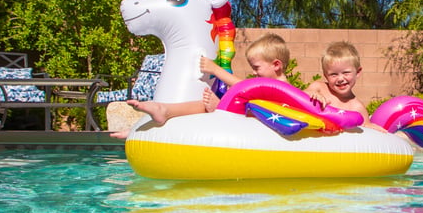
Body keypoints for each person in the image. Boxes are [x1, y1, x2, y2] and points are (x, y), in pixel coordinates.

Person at [112, 34, 292, 137]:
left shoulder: (283, 88)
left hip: (263, 128)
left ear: (276, 65)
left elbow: (243, 86)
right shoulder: (266, 83)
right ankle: (162, 112)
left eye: (256, 67)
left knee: (211, 104)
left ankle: (160, 116)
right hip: (248, 117)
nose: (253, 72)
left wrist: (215, 70)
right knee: (201, 104)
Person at [305, 41, 381, 129]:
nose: (340, 79)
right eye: (334, 74)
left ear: (358, 72)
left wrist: (373, 128)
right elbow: (302, 95)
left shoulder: (357, 107)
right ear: (326, 76)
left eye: (346, 73)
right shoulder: (318, 88)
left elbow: (366, 129)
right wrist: (312, 94)